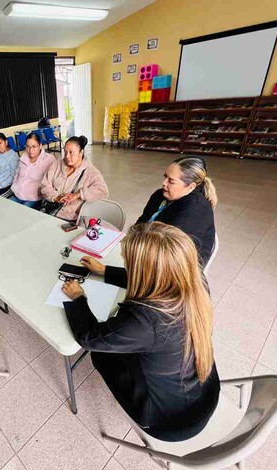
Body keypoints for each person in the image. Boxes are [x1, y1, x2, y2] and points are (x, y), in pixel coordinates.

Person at [62, 222, 220, 441]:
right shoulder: (196, 280)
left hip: (168, 421)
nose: (125, 263)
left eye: (128, 262)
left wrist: (78, 297)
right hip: (205, 393)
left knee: (100, 354)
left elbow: (89, 337)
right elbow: (157, 277)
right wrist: (105, 271)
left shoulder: (144, 321)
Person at [81, 155, 217, 287]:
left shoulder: (195, 211)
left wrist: (104, 271)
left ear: (190, 187)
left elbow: (161, 270)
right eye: (165, 177)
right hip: (143, 258)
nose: (164, 183)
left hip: (174, 277)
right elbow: (141, 224)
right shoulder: (161, 195)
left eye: (171, 181)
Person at [40, 135, 109, 222]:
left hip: (70, 219)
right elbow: (44, 185)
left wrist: (77, 195)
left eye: (71, 152)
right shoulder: (57, 165)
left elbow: (103, 190)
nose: (67, 156)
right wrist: (56, 197)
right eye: (65, 152)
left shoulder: (90, 172)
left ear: (81, 152)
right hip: (49, 211)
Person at [9, 132, 55, 208]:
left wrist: (43, 192)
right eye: (28, 146)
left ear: (40, 146)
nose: (30, 150)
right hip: (17, 194)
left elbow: (53, 180)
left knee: (22, 214)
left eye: (34, 146)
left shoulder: (49, 159)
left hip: (33, 198)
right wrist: (15, 186)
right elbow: (17, 173)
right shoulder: (23, 157)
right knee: (5, 209)